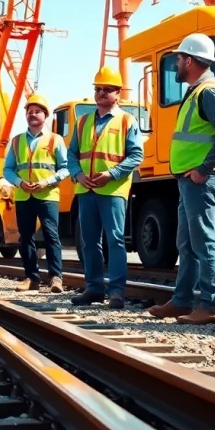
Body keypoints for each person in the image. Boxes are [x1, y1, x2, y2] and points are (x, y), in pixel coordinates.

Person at [148, 33, 215, 325]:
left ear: (189, 60)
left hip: (201, 180)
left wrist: (204, 169)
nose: (176, 63)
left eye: (178, 58)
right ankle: (183, 300)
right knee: (186, 243)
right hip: (190, 181)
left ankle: (212, 306)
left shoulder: (209, 92)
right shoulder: (198, 91)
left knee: (204, 242)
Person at [66, 66, 144, 307]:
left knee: (115, 240)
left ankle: (117, 291)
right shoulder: (83, 122)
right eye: (98, 89)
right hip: (86, 190)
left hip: (112, 190)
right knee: (89, 242)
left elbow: (136, 155)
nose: (101, 93)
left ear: (118, 93)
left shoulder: (127, 120)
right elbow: (71, 155)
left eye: (107, 89)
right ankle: (94, 288)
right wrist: (77, 174)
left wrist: (111, 174)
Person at [3, 94, 69, 293]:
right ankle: (31, 278)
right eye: (29, 112)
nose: (33, 115)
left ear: (45, 115)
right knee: (26, 237)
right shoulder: (16, 141)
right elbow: (7, 170)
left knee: (51, 236)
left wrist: (46, 182)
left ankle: (56, 279)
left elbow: (65, 168)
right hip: (24, 196)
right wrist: (19, 182)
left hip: (47, 196)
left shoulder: (55, 140)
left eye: (37, 111)